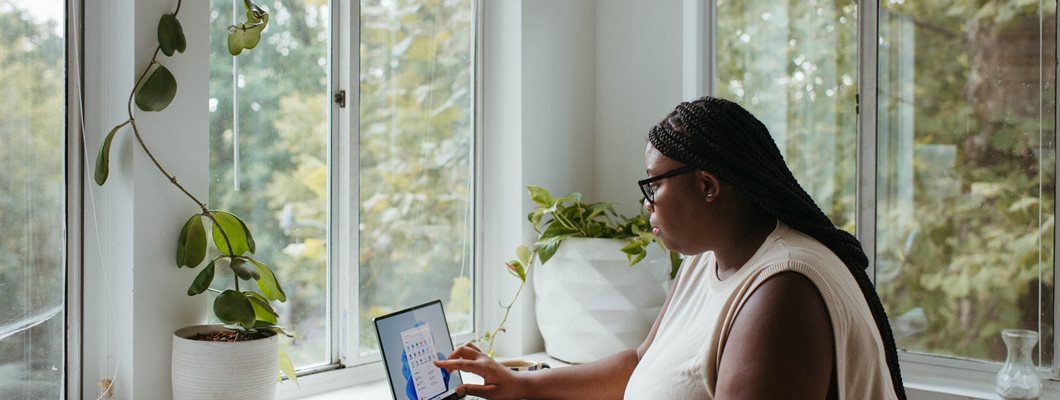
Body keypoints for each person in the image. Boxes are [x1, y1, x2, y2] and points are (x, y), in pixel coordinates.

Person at [435, 97, 906, 399]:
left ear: (707, 185)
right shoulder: (710, 259)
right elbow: (641, 363)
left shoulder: (783, 291)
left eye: (653, 185)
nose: (646, 204)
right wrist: (523, 385)